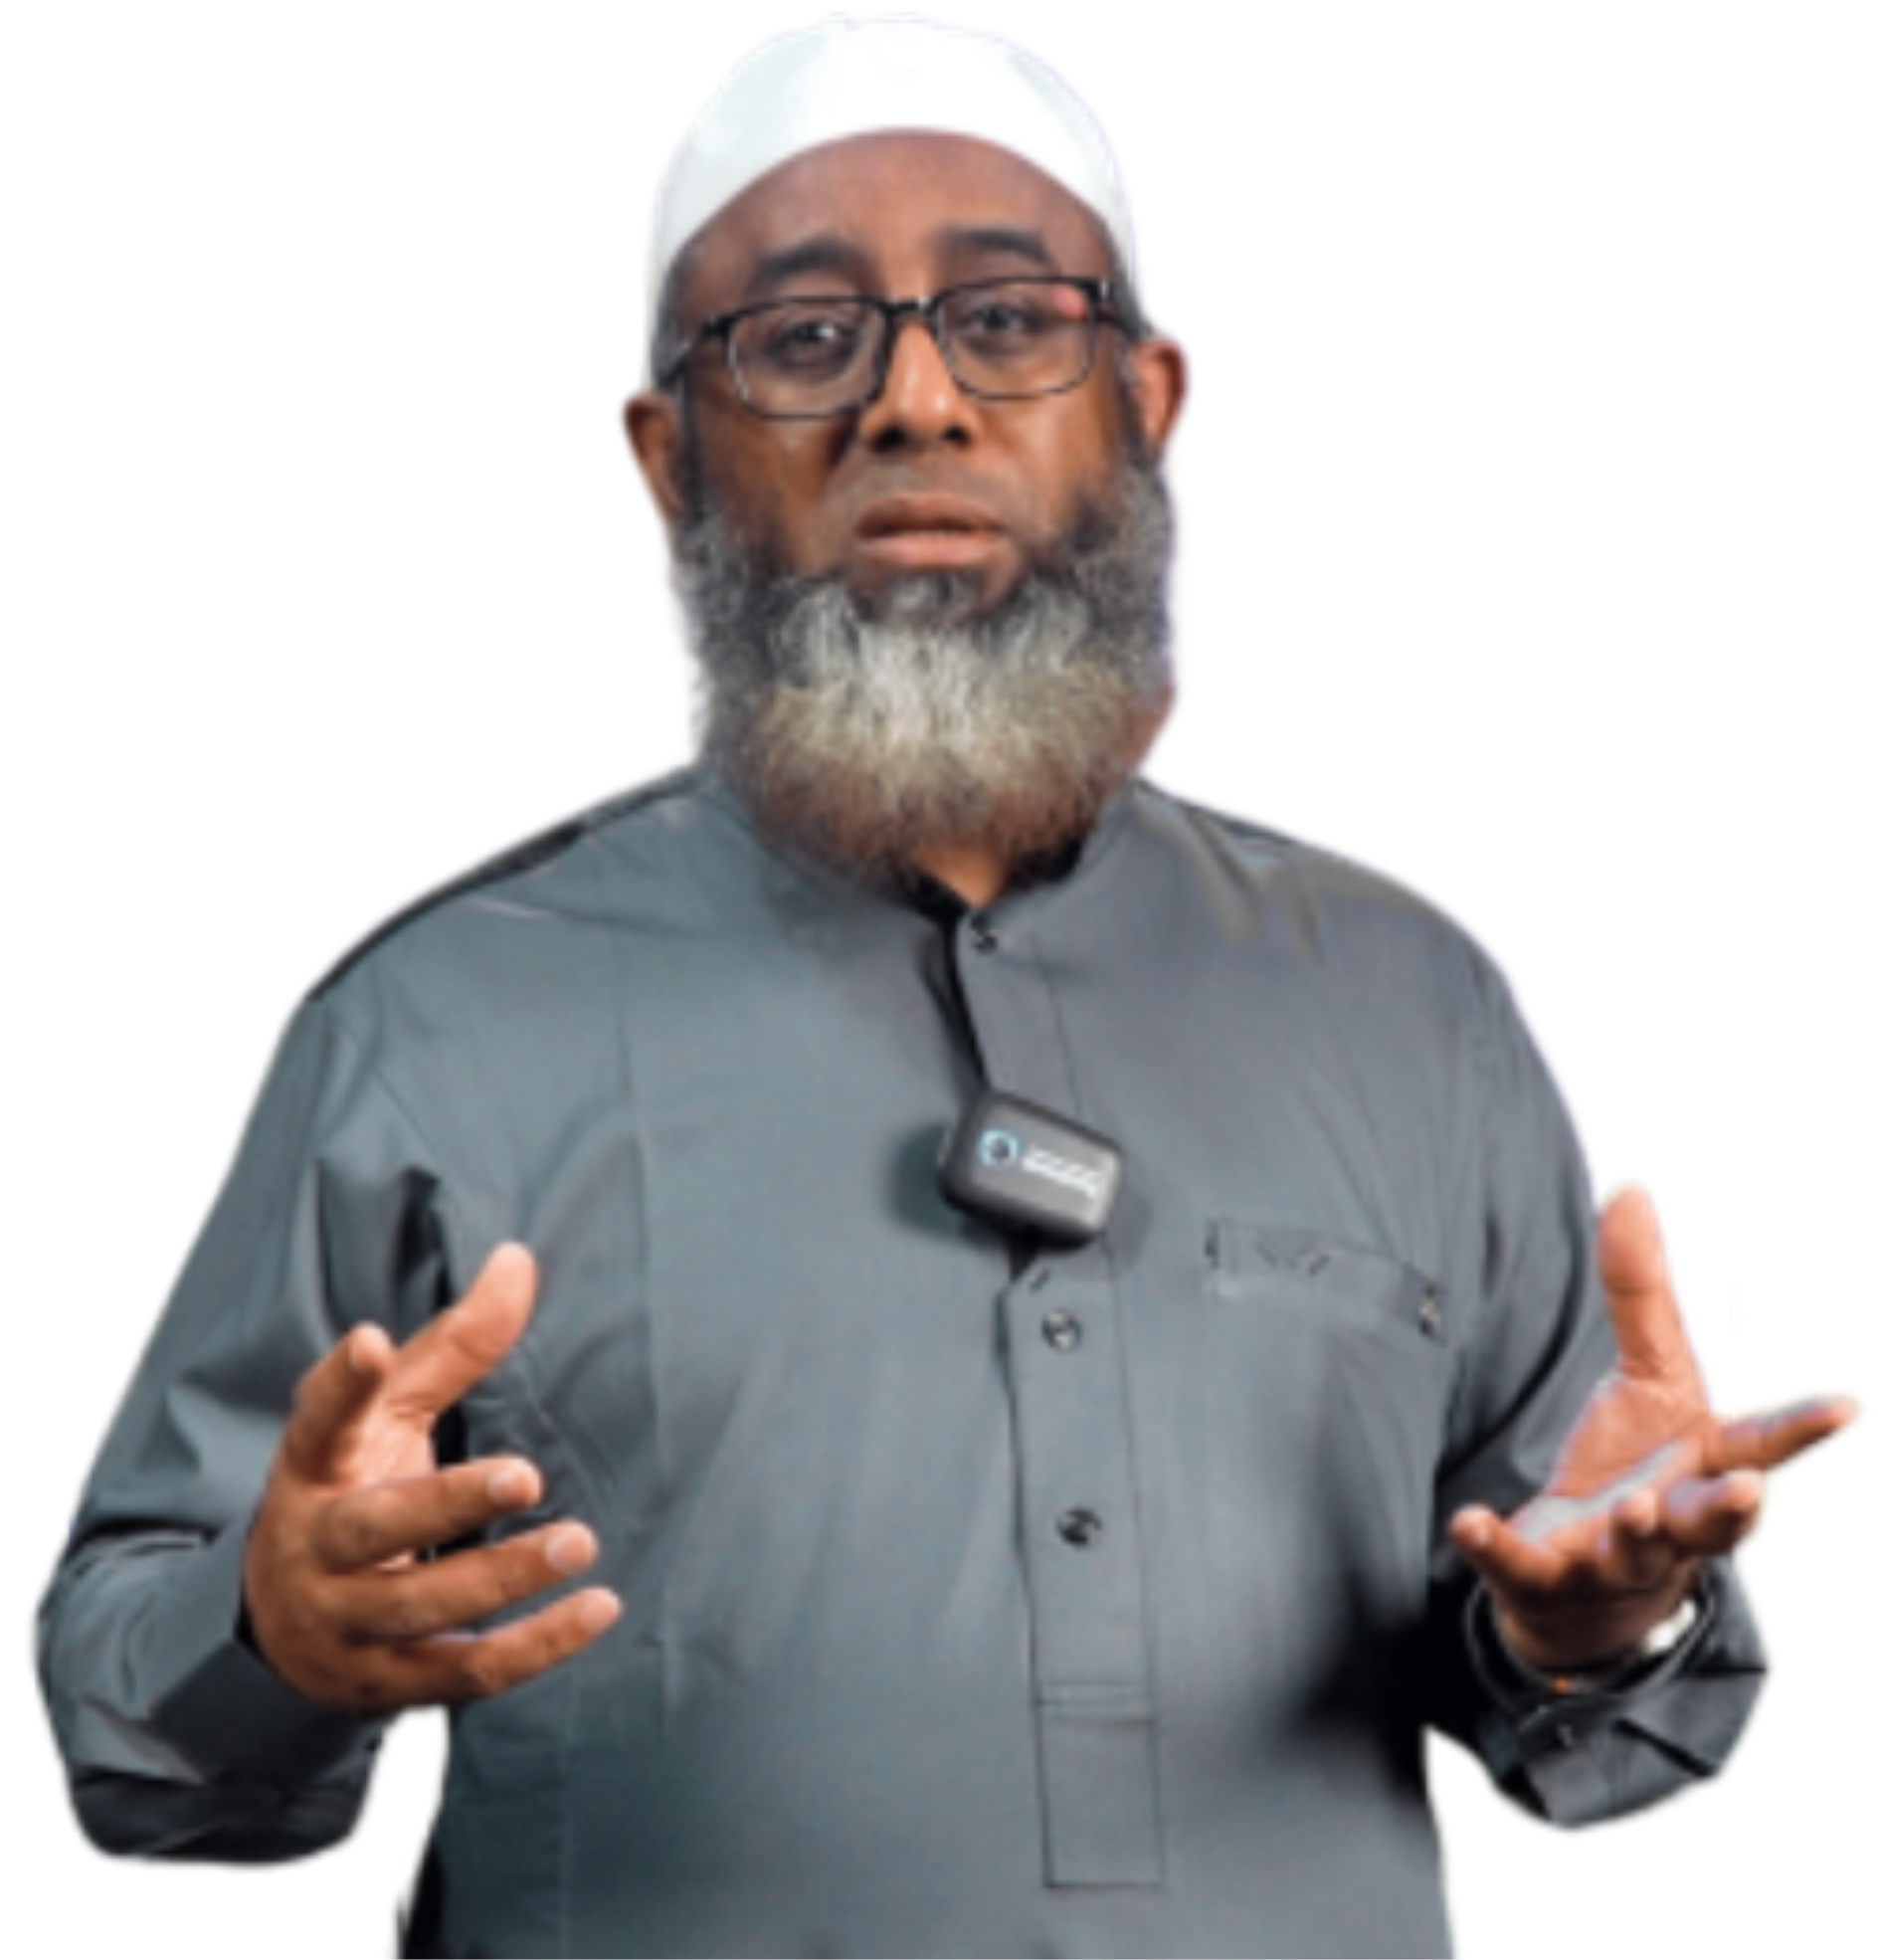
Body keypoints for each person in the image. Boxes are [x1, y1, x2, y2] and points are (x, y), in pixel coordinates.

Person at [25, 13, 1866, 1959]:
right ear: (665, 457)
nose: (917, 401)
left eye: (1008, 322)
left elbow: (1606, 1731)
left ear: (1152, 402)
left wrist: (1605, 1619)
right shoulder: (429, 1032)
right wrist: (276, 1641)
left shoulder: (1415, 1010)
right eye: (806, 339)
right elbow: (125, 1721)